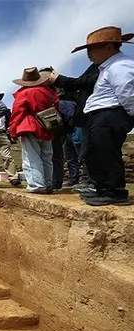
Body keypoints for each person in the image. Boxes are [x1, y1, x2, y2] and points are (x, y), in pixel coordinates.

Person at [68, 26, 134, 205]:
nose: (89, 54)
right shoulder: (108, 67)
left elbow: (127, 93)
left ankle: (115, 191)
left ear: (109, 47)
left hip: (110, 114)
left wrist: (129, 116)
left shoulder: (121, 66)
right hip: (101, 115)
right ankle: (103, 188)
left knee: (106, 152)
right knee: (95, 152)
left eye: (92, 49)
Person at [8, 67, 58, 193]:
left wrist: (13, 130)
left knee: (31, 157)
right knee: (47, 156)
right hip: (47, 126)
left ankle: (36, 184)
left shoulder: (24, 94)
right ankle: (48, 183)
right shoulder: (49, 92)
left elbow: (17, 113)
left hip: (29, 126)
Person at [50, 63, 98, 193]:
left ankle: (87, 180)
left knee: (82, 152)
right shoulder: (56, 95)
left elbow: (72, 109)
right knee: (70, 156)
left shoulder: (66, 94)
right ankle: (74, 179)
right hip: (67, 130)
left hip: (76, 126)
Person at [0, 93, 20, 186]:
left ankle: (13, 177)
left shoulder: (6, 111)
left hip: (3, 134)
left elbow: (11, 122)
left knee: (7, 156)